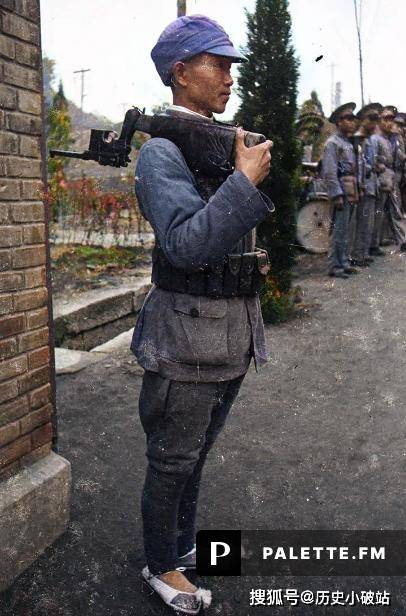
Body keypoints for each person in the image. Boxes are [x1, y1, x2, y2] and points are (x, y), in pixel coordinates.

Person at [130, 15, 274, 615]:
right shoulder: (161, 153)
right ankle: (161, 565)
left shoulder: (212, 144)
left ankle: (182, 545)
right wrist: (243, 184)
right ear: (180, 72)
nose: (229, 78)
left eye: (232, 66)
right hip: (186, 340)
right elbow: (186, 246)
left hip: (227, 338)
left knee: (195, 456)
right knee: (172, 462)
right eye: (218, 65)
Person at [321, 102, 359, 278]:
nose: (352, 121)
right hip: (341, 191)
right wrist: (336, 194)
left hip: (350, 189)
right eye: (348, 118)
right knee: (338, 230)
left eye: (353, 118)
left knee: (346, 229)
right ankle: (334, 266)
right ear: (338, 121)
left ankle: (343, 262)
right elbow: (330, 171)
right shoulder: (332, 143)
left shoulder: (346, 142)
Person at [370, 106, 406, 254]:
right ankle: (373, 244)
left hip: (392, 177)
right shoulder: (375, 139)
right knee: (378, 212)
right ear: (380, 120)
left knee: (396, 209)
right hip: (381, 179)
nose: (389, 122)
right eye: (386, 119)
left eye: (391, 119)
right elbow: (371, 161)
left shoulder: (391, 138)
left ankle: (402, 241)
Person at [351, 103, 382, 266]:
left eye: (376, 120)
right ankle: (357, 255)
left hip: (371, 185)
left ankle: (363, 252)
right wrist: (373, 167)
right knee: (362, 223)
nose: (374, 123)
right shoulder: (358, 139)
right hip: (363, 185)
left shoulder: (370, 140)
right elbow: (359, 164)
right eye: (371, 119)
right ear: (363, 120)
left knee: (368, 223)